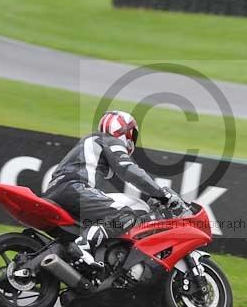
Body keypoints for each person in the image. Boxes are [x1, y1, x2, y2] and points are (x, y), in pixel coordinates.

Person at [43, 111, 183, 269]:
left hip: (62, 190)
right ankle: (83, 245)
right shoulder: (108, 139)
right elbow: (128, 170)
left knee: (104, 218)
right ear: (125, 131)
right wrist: (161, 194)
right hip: (75, 187)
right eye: (132, 134)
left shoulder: (95, 142)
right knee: (127, 214)